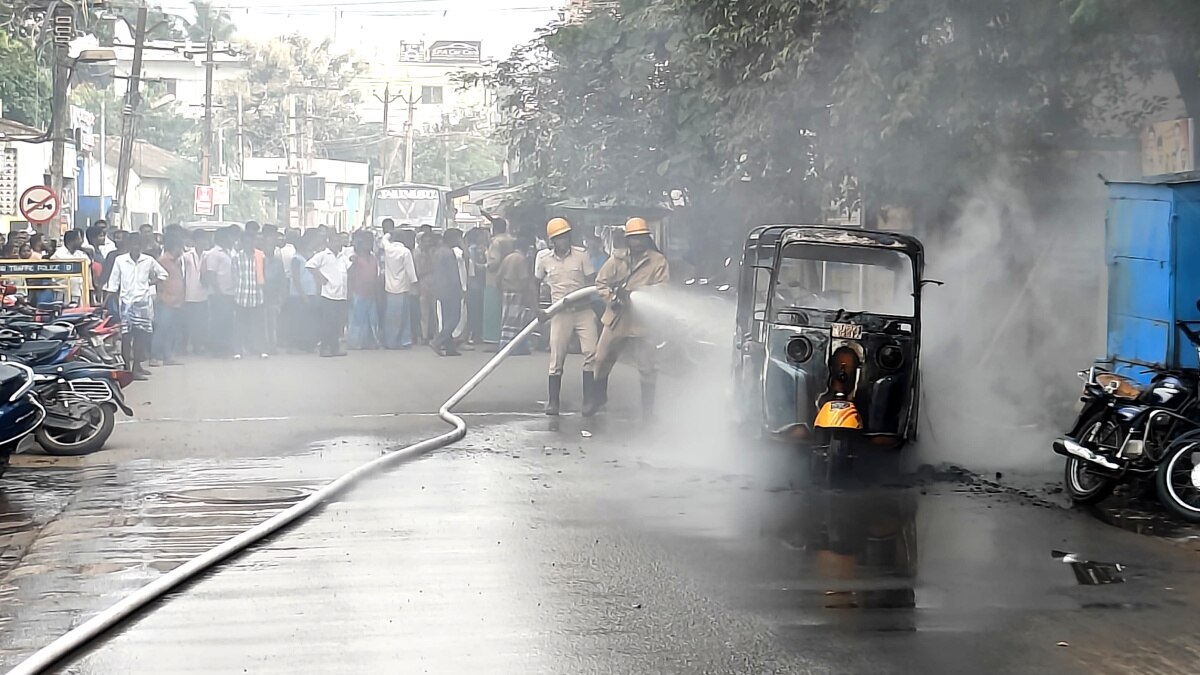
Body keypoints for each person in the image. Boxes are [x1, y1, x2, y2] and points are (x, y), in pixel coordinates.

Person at [585, 217, 670, 418]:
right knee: (601, 358)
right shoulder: (617, 260)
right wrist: (613, 298)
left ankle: (647, 411)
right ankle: (598, 398)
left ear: (646, 239)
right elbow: (601, 283)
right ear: (628, 239)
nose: (638, 242)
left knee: (647, 366)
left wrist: (635, 292)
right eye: (634, 238)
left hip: (643, 322)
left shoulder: (657, 261)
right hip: (618, 318)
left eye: (641, 238)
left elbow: (664, 288)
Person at [535, 218, 598, 416]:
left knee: (592, 353)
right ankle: (553, 402)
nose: (564, 240)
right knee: (557, 357)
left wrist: (583, 298)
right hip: (559, 312)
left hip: (583, 310)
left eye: (566, 236)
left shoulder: (581, 255)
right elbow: (534, 283)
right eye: (559, 238)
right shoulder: (544, 258)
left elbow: (591, 282)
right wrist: (537, 308)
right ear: (552, 240)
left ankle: (589, 401)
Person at [104, 232, 167, 379]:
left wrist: (151, 282)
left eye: (139, 244)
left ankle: (136, 367)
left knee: (141, 337)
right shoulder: (120, 261)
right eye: (133, 244)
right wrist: (105, 303)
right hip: (126, 304)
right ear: (128, 245)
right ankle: (127, 369)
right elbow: (113, 283)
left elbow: (163, 274)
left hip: (143, 303)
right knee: (126, 337)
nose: (136, 247)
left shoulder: (149, 261)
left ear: (142, 246)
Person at [306, 230, 349, 357]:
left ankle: (335, 348)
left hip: (341, 295)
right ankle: (324, 348)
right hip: (328, 295)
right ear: (329, 242)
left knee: (337, 324)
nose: (338, 244)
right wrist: (319, 277)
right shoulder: (323, 255)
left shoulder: (342, 256)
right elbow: (309, 265)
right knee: (327, 324)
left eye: (339, 241)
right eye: (335, 241)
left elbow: (347, 268)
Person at [150, 230, 185, 367]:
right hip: (166, 300)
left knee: (171, 329)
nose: (181, 250)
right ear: (174, 248)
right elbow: (156, 278)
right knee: (162, 329)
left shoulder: (177, 261)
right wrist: (161, 296)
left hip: (177, 300)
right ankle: (155, 356)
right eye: (179, 247)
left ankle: (168, 356)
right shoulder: (162, 261)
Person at [232, 227, 267, 359]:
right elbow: (234, 276)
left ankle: (261, 350)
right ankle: (238, 350)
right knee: (240, 325)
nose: (249, 245)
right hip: (242, 295)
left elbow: (264, 273)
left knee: (258, 325)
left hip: (257, 295)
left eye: (251, 242)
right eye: (246, 242)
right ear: (242, 243)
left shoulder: (260, 255)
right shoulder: (237, 257)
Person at [497, 230, 533, 356]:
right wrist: (528, 296)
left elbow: (498, 276)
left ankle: (505, 345)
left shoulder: (507, 258)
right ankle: (515, 347)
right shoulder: (521, 259)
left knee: (507, 321)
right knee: (517, 321)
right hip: (518, 293)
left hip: (506, 292)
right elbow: (524, 279)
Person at [381, 226, 418, 349]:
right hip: (402, 287)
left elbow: (384, 238)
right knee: (403, 316)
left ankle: (390, 341)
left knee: (391, 316)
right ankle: (403, 340)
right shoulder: (405, 252)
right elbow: (411, 271)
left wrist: (390, 233)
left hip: (389, 288)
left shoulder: (388, 248)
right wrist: (414, 283)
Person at [202, 227, 237, 358]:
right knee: (218, 321)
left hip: (230, 293)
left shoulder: (229, 252)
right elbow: (211, 274)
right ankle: (217, 348)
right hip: (219, 295)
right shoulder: (214, 254)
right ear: (222, 238)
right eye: (229, 237)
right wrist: (219, 292)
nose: (232, 240)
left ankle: (225, 346)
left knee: (227, 321)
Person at [428, 232, 463, 357]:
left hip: (440, 288)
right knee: (454, 318)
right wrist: (460, 289)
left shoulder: (437, 252)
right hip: (450, 289)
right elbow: (453, 274)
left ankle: (449, 347)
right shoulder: (449, 253)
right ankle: (438, 340)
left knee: (447, 317)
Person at [483, 214, 514, 346]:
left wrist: (484, 266)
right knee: (506, 310)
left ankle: (493, 340)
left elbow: (494, 262)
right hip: (510, 277)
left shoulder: (496, 242)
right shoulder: (511, 240)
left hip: (493, 279)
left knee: (493, 311)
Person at [347, 231, 381, 349]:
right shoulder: (354, 258)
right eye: (367, 242)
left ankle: (369, 341)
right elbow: (350, 276)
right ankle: (355, 342)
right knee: (357, 319)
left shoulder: (373, 258)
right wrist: (350, 293)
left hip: (371, 293)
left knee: (371, 318)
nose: (370, 244)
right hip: (358, 292)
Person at [287, 230, 320, 352]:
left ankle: (308, 343)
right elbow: (296, 279)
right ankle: (299, 344)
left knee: (310, 321)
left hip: (311, 292)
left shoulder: (312, 257)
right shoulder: (296, 258)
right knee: (299, 321)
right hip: (299, 295)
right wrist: (303, 295)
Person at [180, 229, 210, 355]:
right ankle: (183, 346)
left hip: (203, 294)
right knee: (187, 323)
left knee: (201, 322)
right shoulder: (186, 256)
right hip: (189, 294)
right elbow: (182, 274)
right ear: (194, 241)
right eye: (200, 240)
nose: (202, 242)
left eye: (204, 240)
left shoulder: (208, 255)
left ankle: (198, 346)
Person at [262, 224, 287, 353]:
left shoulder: (278, 261)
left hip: (273, 295)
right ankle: (262, 345)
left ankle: (272, 346)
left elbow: (282, 280)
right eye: (267, 245)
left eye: (272, 245)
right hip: (260, 296)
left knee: (273, 322)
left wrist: (281, 297)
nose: (269, 248)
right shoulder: (257, 260)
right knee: (261, 322)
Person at [51, 229, 91, 305]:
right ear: (72, 240)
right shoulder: (58, 255)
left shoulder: (80, 254)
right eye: (79, 239)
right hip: (63, 292)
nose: (81, 241)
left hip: (79, 292)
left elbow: (88, 264)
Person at [465, 227, 488, 346]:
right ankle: (474, 334)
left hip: (477, 283)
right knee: (475, 310)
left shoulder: (479, 249)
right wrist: (486, 266)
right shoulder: (473, 250)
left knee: (476, 310)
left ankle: (476, 334)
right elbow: (473, 265)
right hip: (475, 283)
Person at [414, 229, 437, 345]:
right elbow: (419, 271)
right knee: (424, 313)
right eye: (425, 242)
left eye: (429, 241)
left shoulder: (436, 253)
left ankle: (436, 335)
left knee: (436, 313)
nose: (427, 244)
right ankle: (424, 336)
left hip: (435, 286)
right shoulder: (418, 254)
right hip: (423, 286)